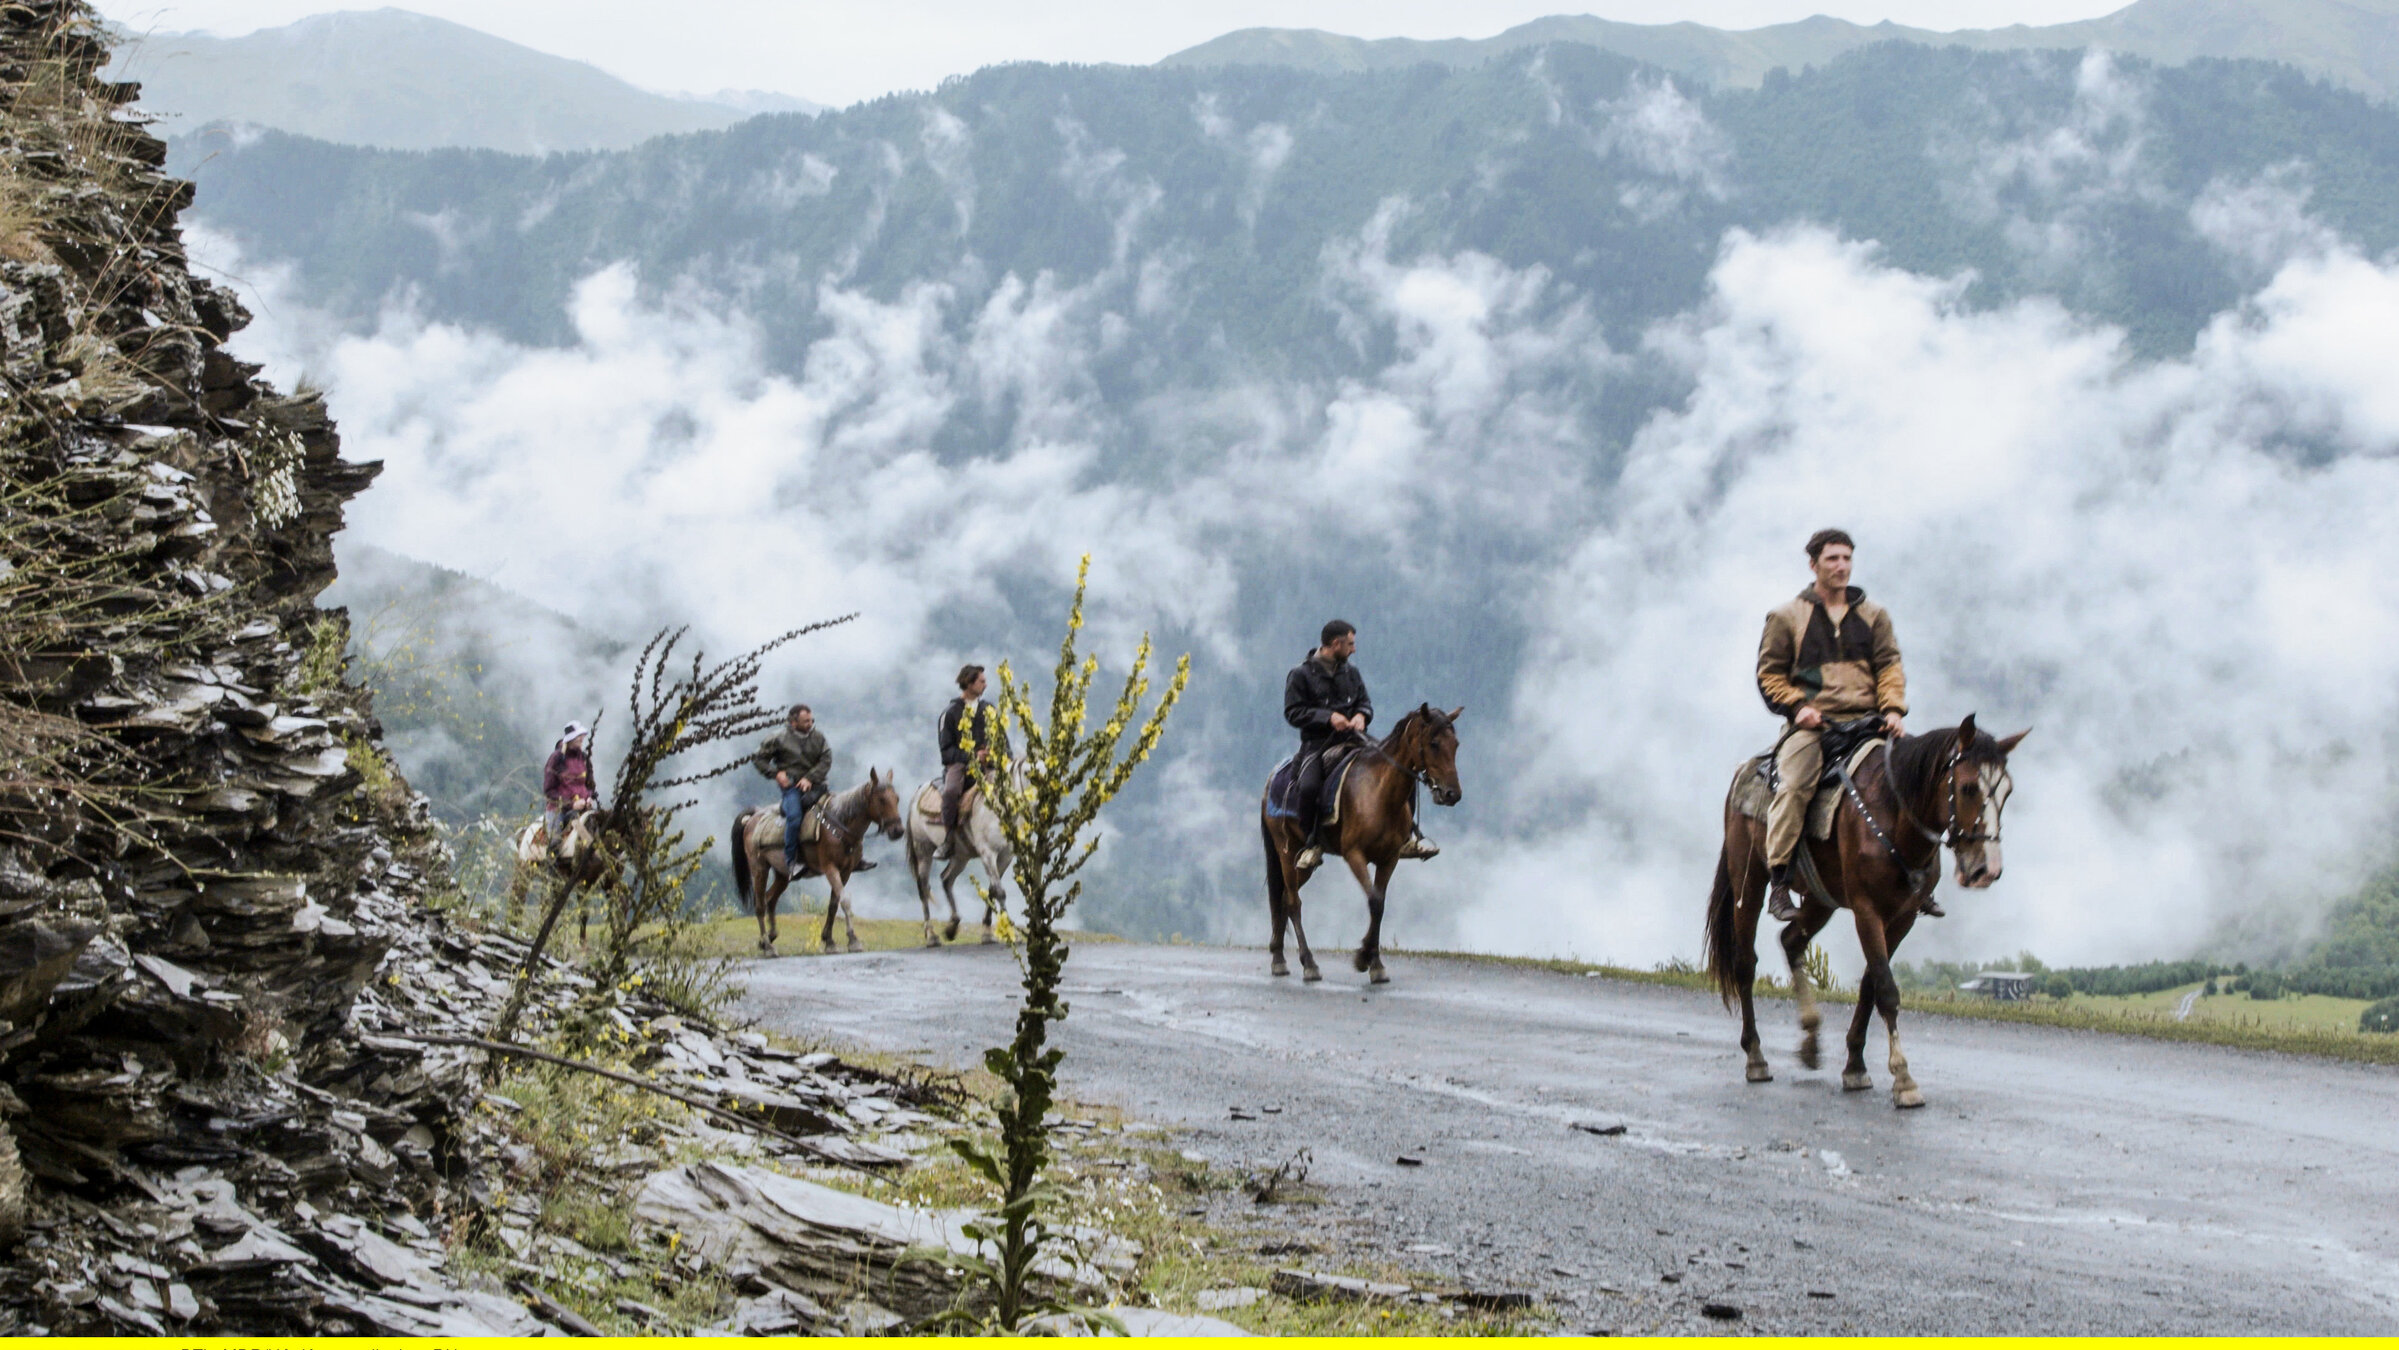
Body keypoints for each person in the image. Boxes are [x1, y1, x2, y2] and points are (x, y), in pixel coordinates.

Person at [1755, 528, 1935, 921]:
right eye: (1832, 559)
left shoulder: (1874, 615)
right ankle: (1780, 880)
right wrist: (1798, 708)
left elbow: (1889, 667)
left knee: (1922, 777)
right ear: (1813, 564)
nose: (1841, 566)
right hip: (1814, 726)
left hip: (1870, 722)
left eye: (1846, 558)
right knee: (1795, 786)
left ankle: (1921, 879)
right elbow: (1770, 675)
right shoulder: (1786, 617)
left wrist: (1893, 710)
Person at [1284, 620, 1437, 872]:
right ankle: (1311, 844)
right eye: (1350, 644)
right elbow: (1293, 712)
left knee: (1402, 766)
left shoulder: (1351, 673)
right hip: (1317, 744)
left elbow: (1364, 702)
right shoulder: (1300, 674)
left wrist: (1361, 716)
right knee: (1309, 787)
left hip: (1355, 739)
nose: (1353, 649)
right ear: (1336, 644)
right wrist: (1328, 718)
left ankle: (1407, 838)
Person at [754, 704, 860, 876]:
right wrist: (776, 774)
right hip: (792, 788)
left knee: (845, 811)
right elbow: (759, 758)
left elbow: (826, 759)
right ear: (793, 722)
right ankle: (791, 861)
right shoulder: (778, 738)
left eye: (811, 720)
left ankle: (856, 857)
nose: (810, 724)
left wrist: (810, 778)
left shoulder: (818, 737)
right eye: (806, 721)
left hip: (817, 787)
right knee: (795, 817)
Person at [936, 665, 999, 858]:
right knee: (950, 792)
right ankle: (948, 839)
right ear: (969, 683)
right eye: (981, 681)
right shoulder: (950, 713)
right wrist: (972, 757)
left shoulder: (989, 709)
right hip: (960, 765)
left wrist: (1002, 756)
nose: (985, 685)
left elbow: (1001, 738)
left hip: (989, 763)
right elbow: (946, 752)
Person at [542, 722, 599, 856]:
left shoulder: (583, 758)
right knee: (555, 842)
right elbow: (549, 790)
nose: (582, 738)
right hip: (558, 809)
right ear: (571, 738)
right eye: (579, 736)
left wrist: (588, 797)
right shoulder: (557, 758)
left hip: (582, 809)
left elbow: (590, 785)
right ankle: (550, 867)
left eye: (582, 735)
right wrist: (571, 804)